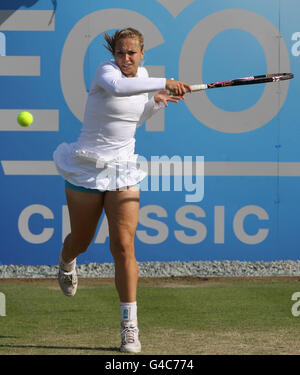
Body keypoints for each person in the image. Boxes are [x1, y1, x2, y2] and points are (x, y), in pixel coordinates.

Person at [53, 27, 191, 353]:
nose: (126, 59)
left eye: (132, 53)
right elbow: (119, 90)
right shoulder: (108, 74)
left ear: (142, 54)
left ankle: (130, 327)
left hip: (123, 168)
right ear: (113, 55)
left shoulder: (141, 77)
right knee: (82, 241)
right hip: (87, 167)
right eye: (120, 53)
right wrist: (163, 82)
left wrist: (154, 104)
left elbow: (131, 119)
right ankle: (66, 260)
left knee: (124, 245)